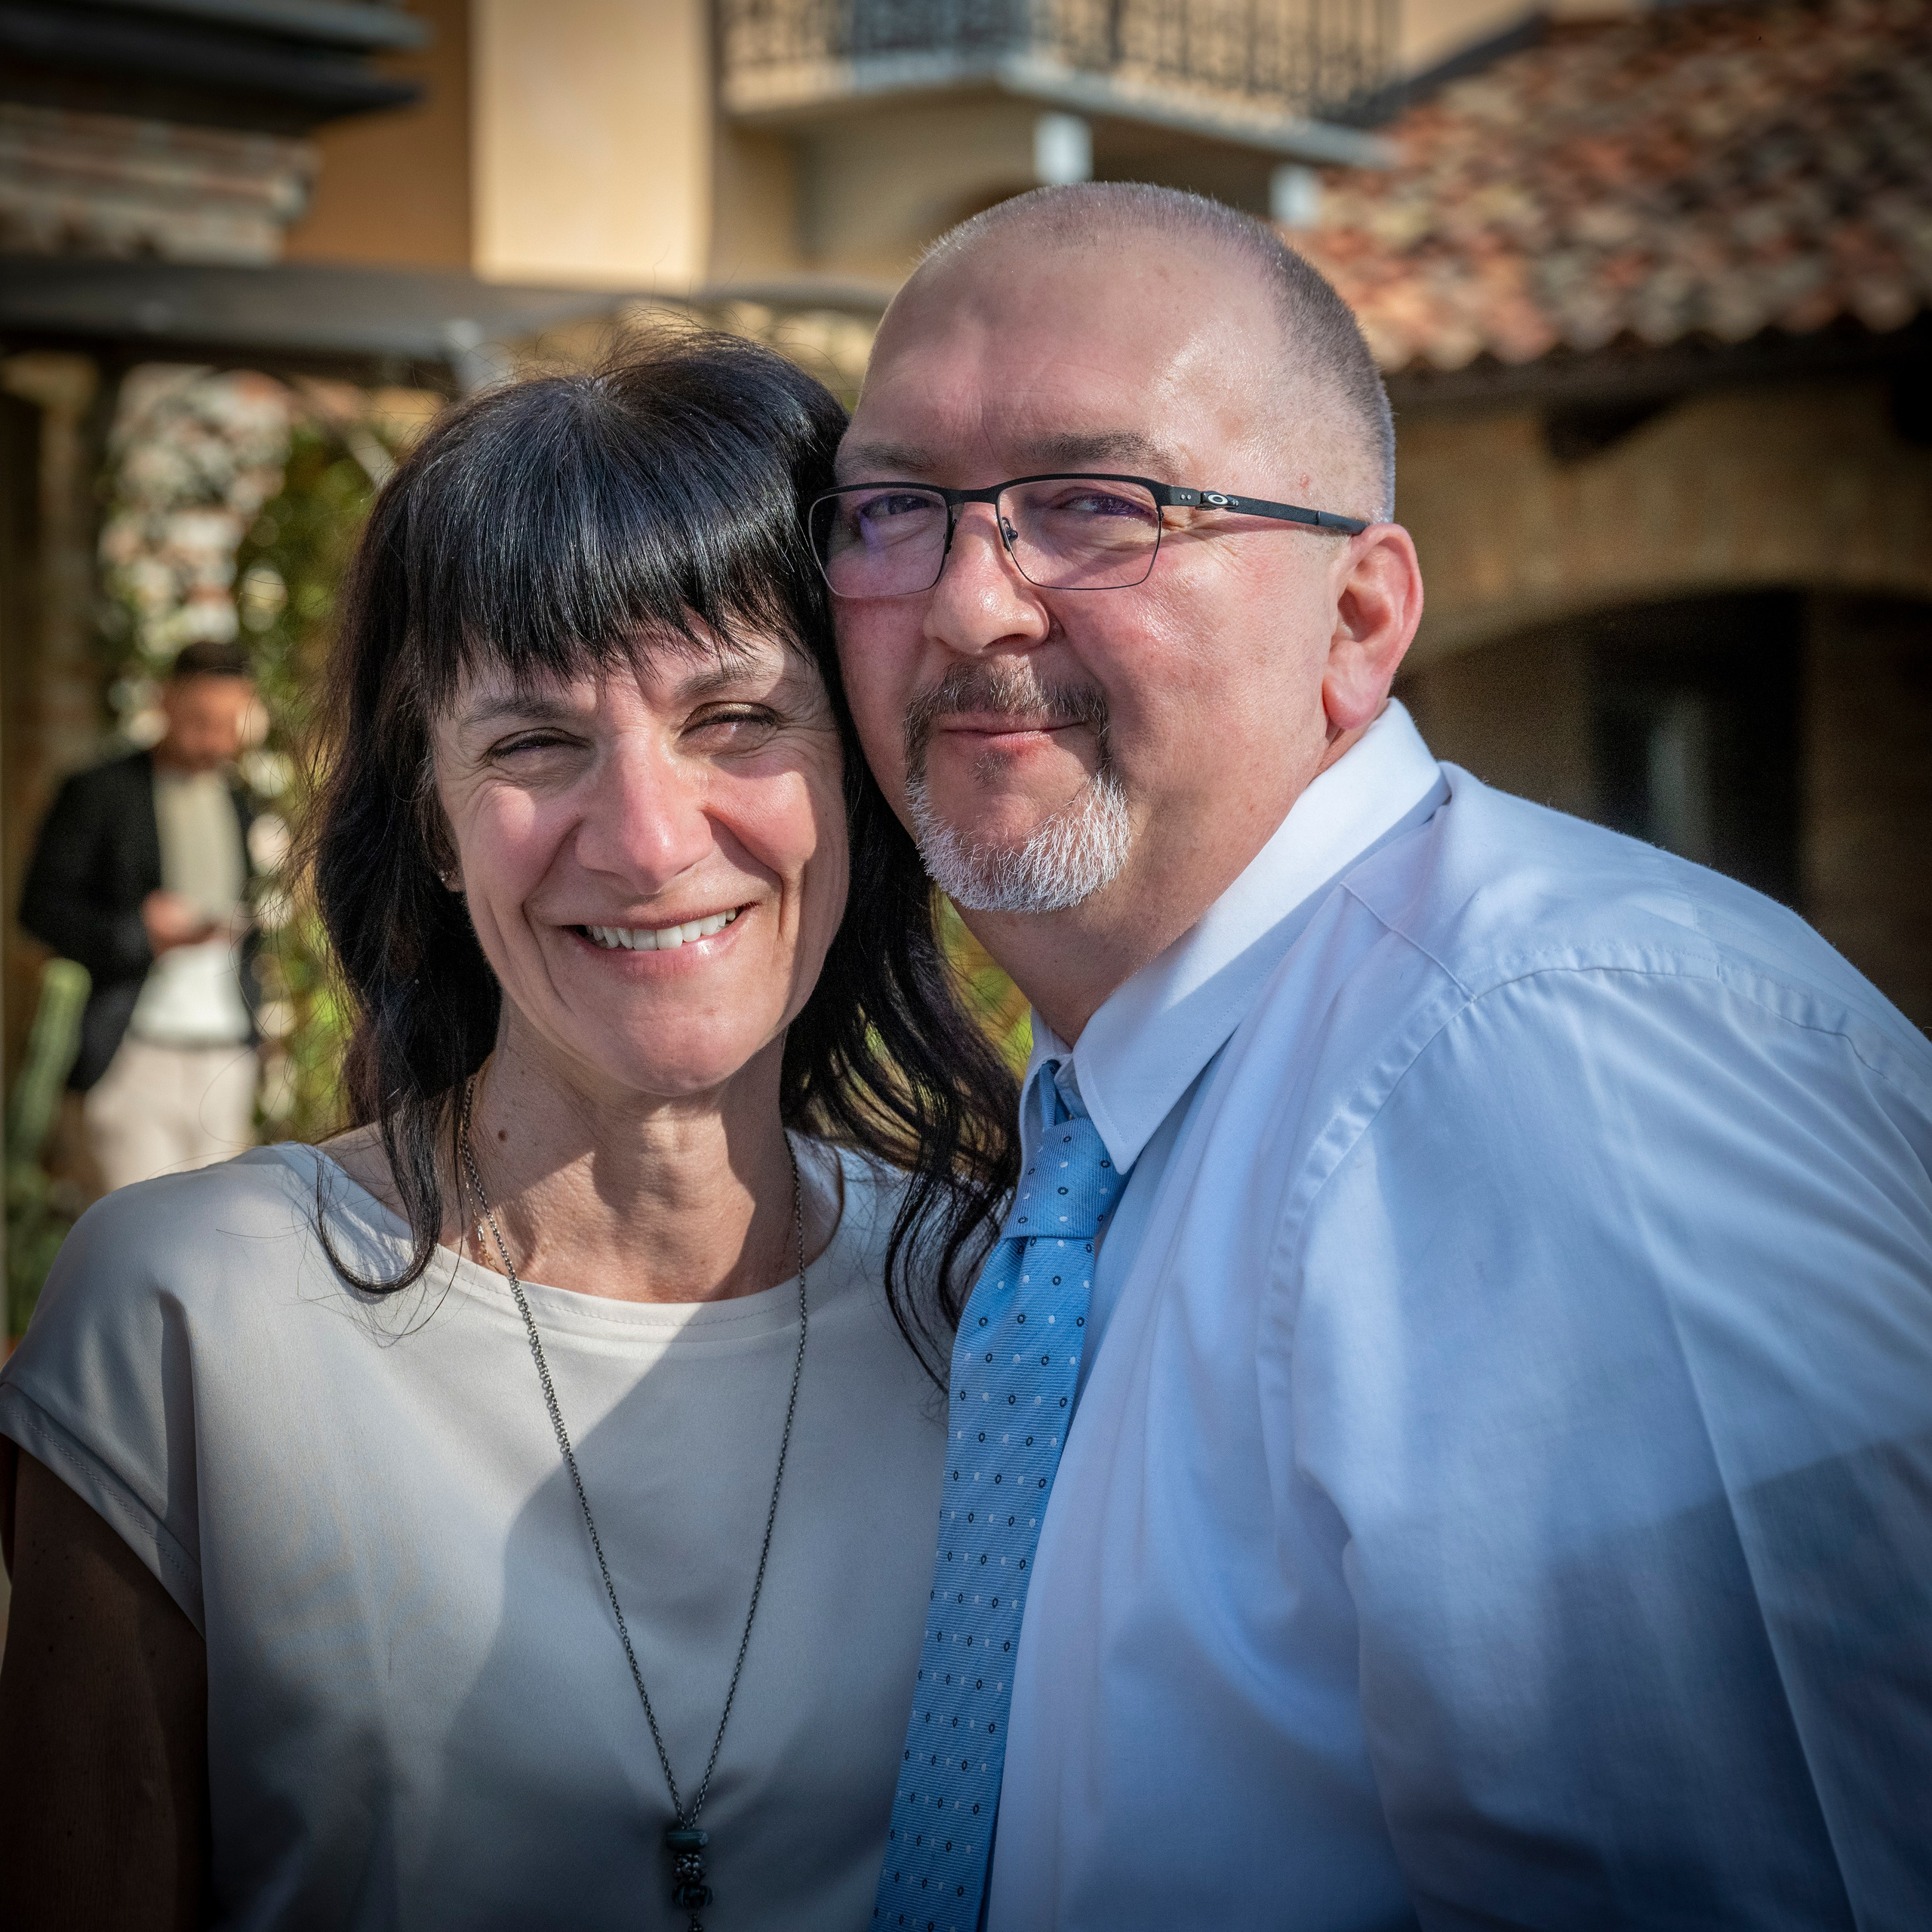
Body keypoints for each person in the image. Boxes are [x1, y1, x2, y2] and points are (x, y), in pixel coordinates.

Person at [822, 183, 1932, 1930]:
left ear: (1355, 618)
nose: (967, 601)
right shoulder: (1102, 1117)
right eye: (892, 509)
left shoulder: (1556, 1060)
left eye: (1091, 503)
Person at [0, 336, 1017, 1930]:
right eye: (534, 742)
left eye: (737, 715)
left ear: (863, 768)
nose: (648, 837)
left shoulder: (992, 1303)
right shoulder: (190, 1313)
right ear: (430, 810)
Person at [19, 639, 263, 1192]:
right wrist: (138, 933)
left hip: (227, 1058)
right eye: (202, 720)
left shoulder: (241, 801)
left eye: (231, 723)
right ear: (165, 702)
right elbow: (38, 909)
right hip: (135, 1054)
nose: (216, 740)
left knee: (217, 1241)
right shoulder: (100, 792)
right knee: (142, 1248)